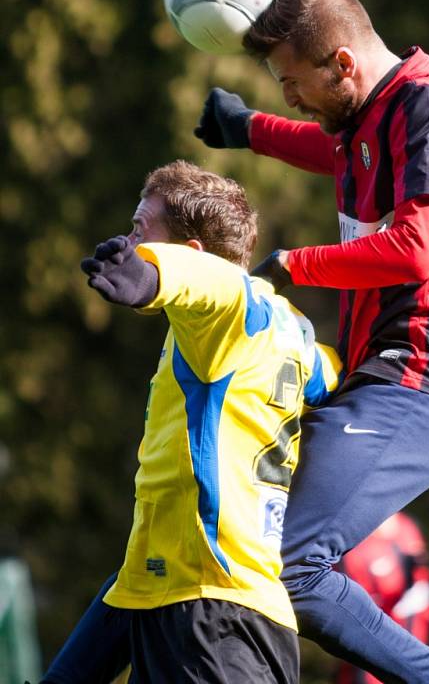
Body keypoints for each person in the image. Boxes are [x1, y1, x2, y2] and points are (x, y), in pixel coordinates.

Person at [193, 0, 429, 684]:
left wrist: (290, 265)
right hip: (373, 380)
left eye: (292, 83)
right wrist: (249, 130)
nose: (291, 100)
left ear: (343, 63)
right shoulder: (377, 115)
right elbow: (339, 153)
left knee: (287, 563)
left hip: (417, 389)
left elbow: (415, 249)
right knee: (219, 531)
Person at [40, 159, 342, 683]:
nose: (130, 239)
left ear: (193, 253)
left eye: (142, 229)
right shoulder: (292, 331)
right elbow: (330, 374)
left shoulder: (224, 306)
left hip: (214, 609)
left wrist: (148, 273)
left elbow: (205, 277)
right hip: (175, 591)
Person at [335, 512, 429, 684]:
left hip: (412, 647)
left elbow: (421, 582)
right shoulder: (353, 538)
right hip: (368, 651)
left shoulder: (407, 527)